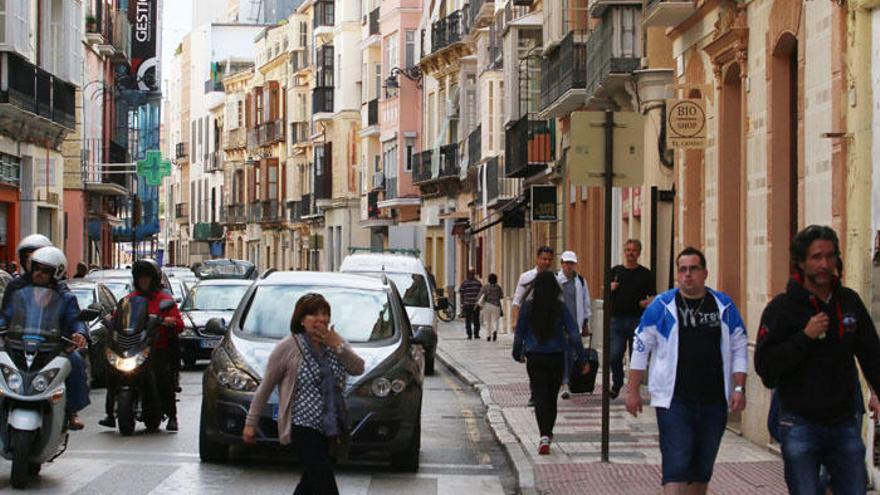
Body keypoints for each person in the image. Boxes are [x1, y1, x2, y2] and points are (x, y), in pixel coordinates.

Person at [755, 225, 880, 494]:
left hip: (844, 422)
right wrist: (805, 336)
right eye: (816, 257)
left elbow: (871, 353)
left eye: (830, 256)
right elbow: (766, 368)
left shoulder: (849, 302)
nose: (824, 264)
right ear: (801, 262)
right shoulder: (782, 308)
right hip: (799, 423)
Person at [625, 247, 748, 495]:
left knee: (701, 470)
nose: (688, 275)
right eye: (683, 269)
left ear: (705, 273)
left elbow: (739, 346)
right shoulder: (662, 306)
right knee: (677, 466)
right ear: (677, 274)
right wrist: (633, 390)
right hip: (674, 401)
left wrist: (738, 388)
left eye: (694, 269)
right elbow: (640, 347)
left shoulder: (723, 306)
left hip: (714, 400)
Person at [243, 293, 365, 495]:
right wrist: (250, 423)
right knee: (325, 486)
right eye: (314, 315)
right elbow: (265, 387)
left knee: (309, 484)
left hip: (331, 427)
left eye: (325, 314)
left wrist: (338, 346)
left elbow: (357, 368)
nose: (321, 319)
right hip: (302, 427)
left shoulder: (335, 342)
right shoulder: (289, 347)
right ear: (301, 320)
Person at [0, 247, 91, 430]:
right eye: (37, 268)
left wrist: (80, 334)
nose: (39, 273)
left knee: (75, 361)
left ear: (56, 273)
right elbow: (5, 316)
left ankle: (71, 411)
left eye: (45, 270)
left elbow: (75, 320)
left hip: (52, 347)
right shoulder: (20, 295)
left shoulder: (66, 297)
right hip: (19, 345)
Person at [99, 259, 183, 431]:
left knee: (162, 375)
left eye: (147, 278)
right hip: (132, 348)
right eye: (141, 278)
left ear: (154, 279)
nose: (144, 281)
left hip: (155, 347)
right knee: (112, 372)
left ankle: (172, 416)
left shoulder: (164, 299)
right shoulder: (129, 300)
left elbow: (179, 324)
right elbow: (118, 316)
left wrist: (169, 321)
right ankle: (110, 413)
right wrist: (110, 319)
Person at [513, 271, 591, 455]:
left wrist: (517, 353)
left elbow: (519, 332)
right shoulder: (560, 307)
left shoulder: (528, 307)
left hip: (535, 357)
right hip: (556, 356)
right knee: (551, 397)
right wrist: (582, 358)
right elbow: (573, 333)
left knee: (540, 396)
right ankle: (548, 432)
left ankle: (544, 436)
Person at [609, 239, 655, 399]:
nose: (630, 253)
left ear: (639, 253)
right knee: (614, 355)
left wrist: (647, 303)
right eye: (628, 250)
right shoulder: (615, 271)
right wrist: (610, 288)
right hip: (616, 320)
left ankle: (633, 388)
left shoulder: (645, 274)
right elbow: (604, 292)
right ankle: (617, 381)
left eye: (633, 250)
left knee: (637, 356)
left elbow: (653, 297)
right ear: (624, 251)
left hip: (637, 320)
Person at [556, 251, 591, 399]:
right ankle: (564, 383)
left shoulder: (581, 281)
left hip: (575, 323)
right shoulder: (556, 280)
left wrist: (585, 323)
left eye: (572, 263)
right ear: (562, 264)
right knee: (564, 353)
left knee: (571, 353)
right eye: (566, 263)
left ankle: (567, 380)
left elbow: (586, 302)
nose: (569, 266)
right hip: (559, 324)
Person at [477, 273, 503, 341]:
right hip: (496, 305)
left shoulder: (485, 287)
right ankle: (494, 330)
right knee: (495, 320)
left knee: (487, 321)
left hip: (487, 305)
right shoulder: (498, 287)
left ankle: (488, 335)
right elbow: (501, 296)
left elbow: (480, 295)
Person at [459, 268, 483, 340]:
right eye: (471, 273)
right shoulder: (478, 283)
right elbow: (481, 293)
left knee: (469, 320)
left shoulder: (465, 283)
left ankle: (471, 334)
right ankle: (475, 334)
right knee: (475, 320)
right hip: (473, 304)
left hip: (469, 304)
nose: (472, 275)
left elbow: (461, 293)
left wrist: (462, 303)